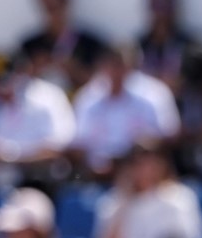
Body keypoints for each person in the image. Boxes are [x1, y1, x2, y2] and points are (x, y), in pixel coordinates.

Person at [0, 51, 76, 190]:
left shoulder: (49, 98)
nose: (2, 87)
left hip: (38, 183)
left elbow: (57, 149)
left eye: (7, 79)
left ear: (23, 72)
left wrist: (9, 157)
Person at [95, 142, 202, 238]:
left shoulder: (180, 199)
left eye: (151, 163)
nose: (145, 170)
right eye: (138, 163)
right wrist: (124, 203)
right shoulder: (113, 201)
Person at [71, 45, 181, 175]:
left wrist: (131, 158)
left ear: (134, 65)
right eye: (112, 64)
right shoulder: (88, 96)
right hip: (95, 176)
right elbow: (77, 144)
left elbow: (170, 136)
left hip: (145, 177)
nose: (117, 71)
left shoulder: (154, 94)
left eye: (121, 65)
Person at [19, 0, 106, 94]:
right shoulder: (30, 47)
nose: (50, 11)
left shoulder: (91, 44)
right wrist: (36, 69)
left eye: (54, 4)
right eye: (46, 5)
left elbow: (102, 86)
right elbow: (17, 86)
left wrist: (72, 69)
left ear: (66, 2)